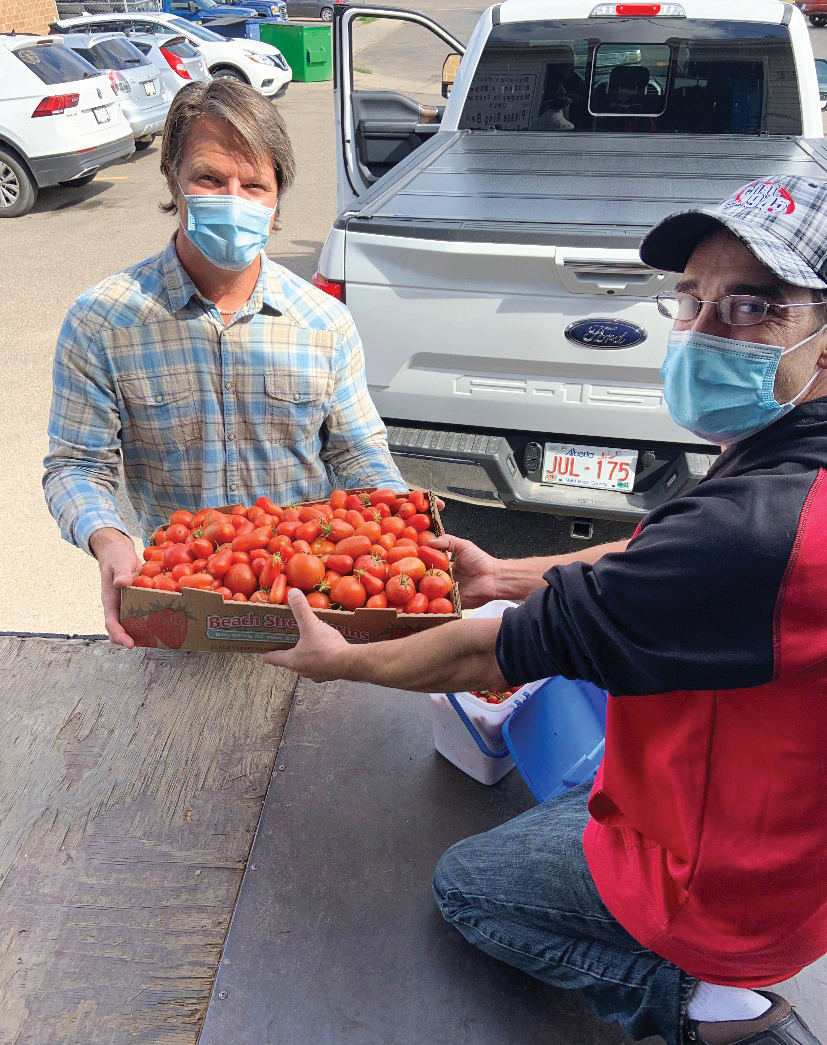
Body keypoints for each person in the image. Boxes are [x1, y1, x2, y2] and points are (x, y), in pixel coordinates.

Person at [263, 174, 827, 1045]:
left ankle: (717, 1013)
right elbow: (657, 558)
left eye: (752, 306)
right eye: (691, 299)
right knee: (577, 789)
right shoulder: (783, 477)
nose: (702, 329)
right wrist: (503, 572)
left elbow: (491, 656)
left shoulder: (762, 532)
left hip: (727, 884)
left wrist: (346, 660)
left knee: (470, 887)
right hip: (790, 829)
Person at [43, 79, 404, 649]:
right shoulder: (103, 322)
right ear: (173, 179)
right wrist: (109, 540)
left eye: (255, 184)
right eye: (210, 178)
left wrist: (400, 526)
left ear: (277, 197)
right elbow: (76, 465)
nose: (233, 199)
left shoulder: (323, 322)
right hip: (179, 602)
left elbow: (356, 450)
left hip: (309, 610)